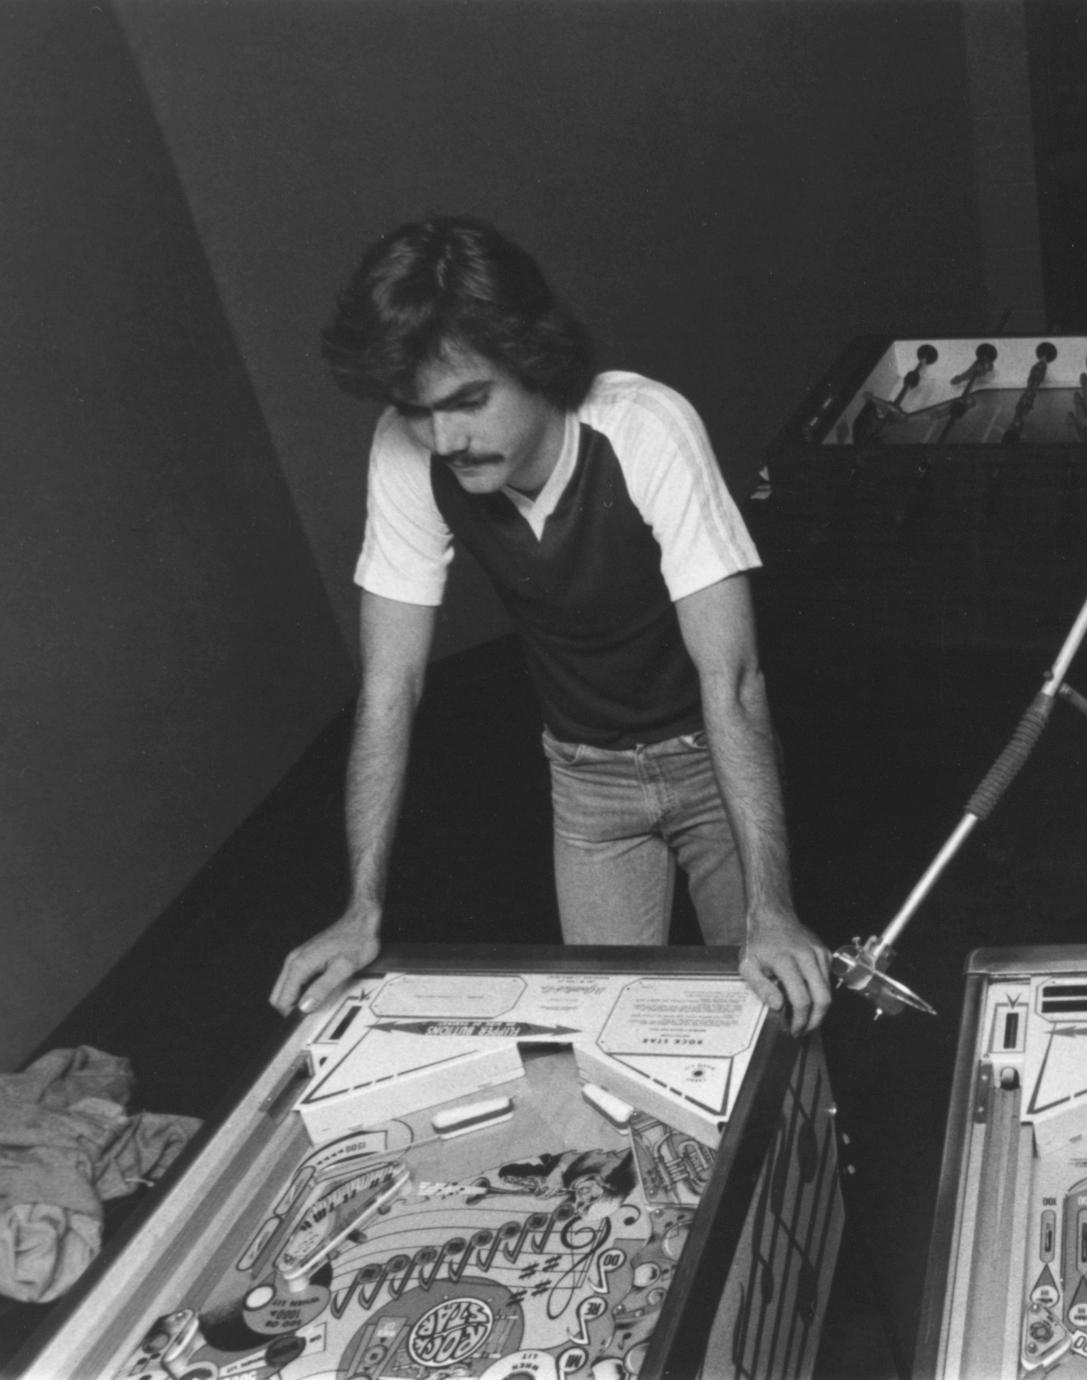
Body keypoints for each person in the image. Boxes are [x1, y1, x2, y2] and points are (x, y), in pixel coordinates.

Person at [268, 217, 831, 1034]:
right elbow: (390, 686)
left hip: (710, 757)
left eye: (469, 401)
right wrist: (361, 909)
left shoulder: (644, 425)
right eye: (418, 410)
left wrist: (771, 909)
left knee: (774, 1003)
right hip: (586, 777)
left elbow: (733, 679)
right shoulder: (405, 450)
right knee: (600, 1028)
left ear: (536, 362)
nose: (445, 438)